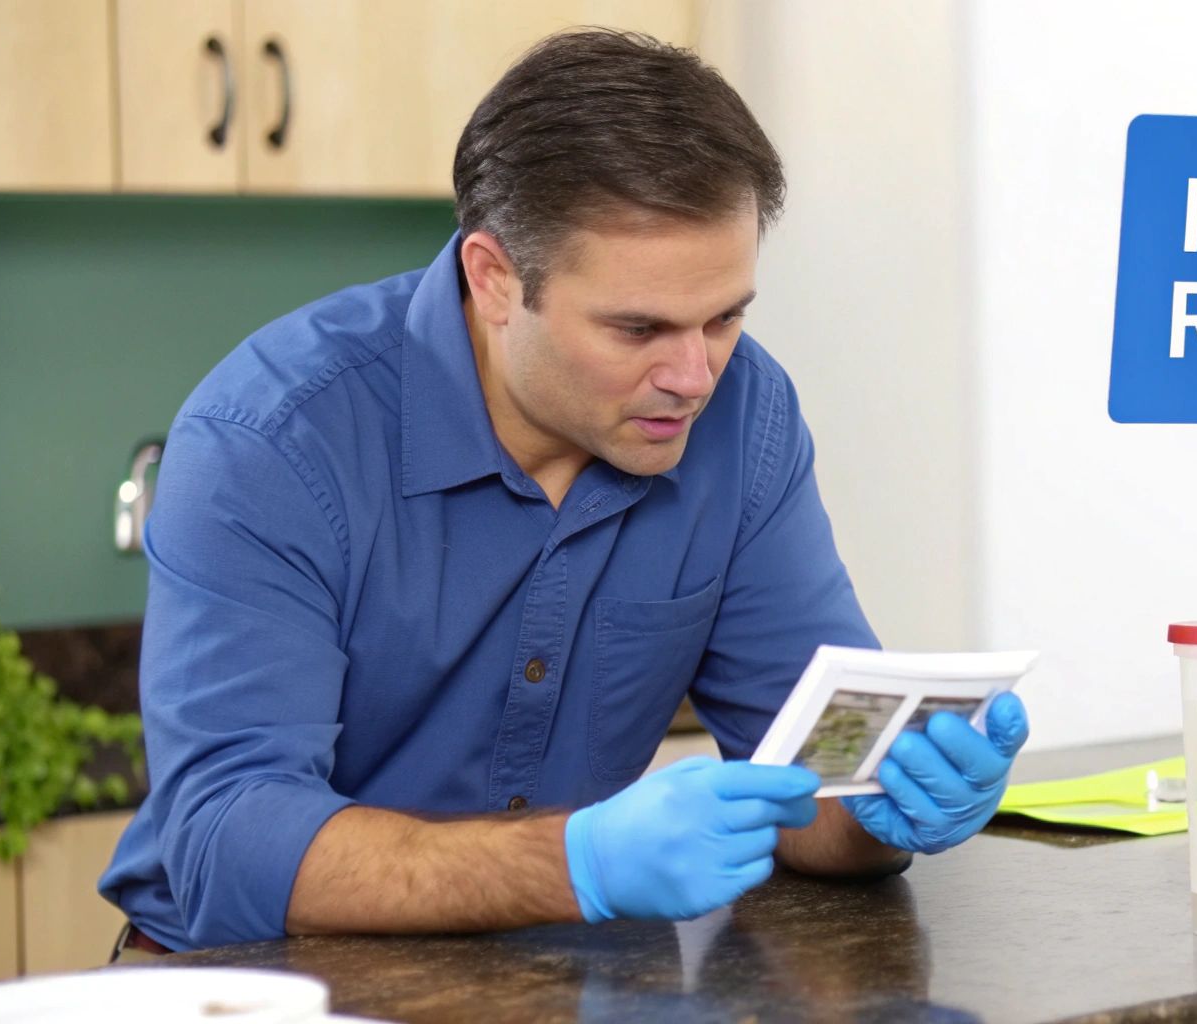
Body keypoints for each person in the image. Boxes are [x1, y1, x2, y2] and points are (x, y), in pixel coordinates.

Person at [98, 29, 1029, 954]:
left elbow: (807, 795)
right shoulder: (272, 441)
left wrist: (885, 804)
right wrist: (574, 861)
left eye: (725, 316)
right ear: (494, 278)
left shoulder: (746, 418)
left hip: (566, 977)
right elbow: (226, 844)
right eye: (639, 328)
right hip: (257, 986)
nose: (695, 376)